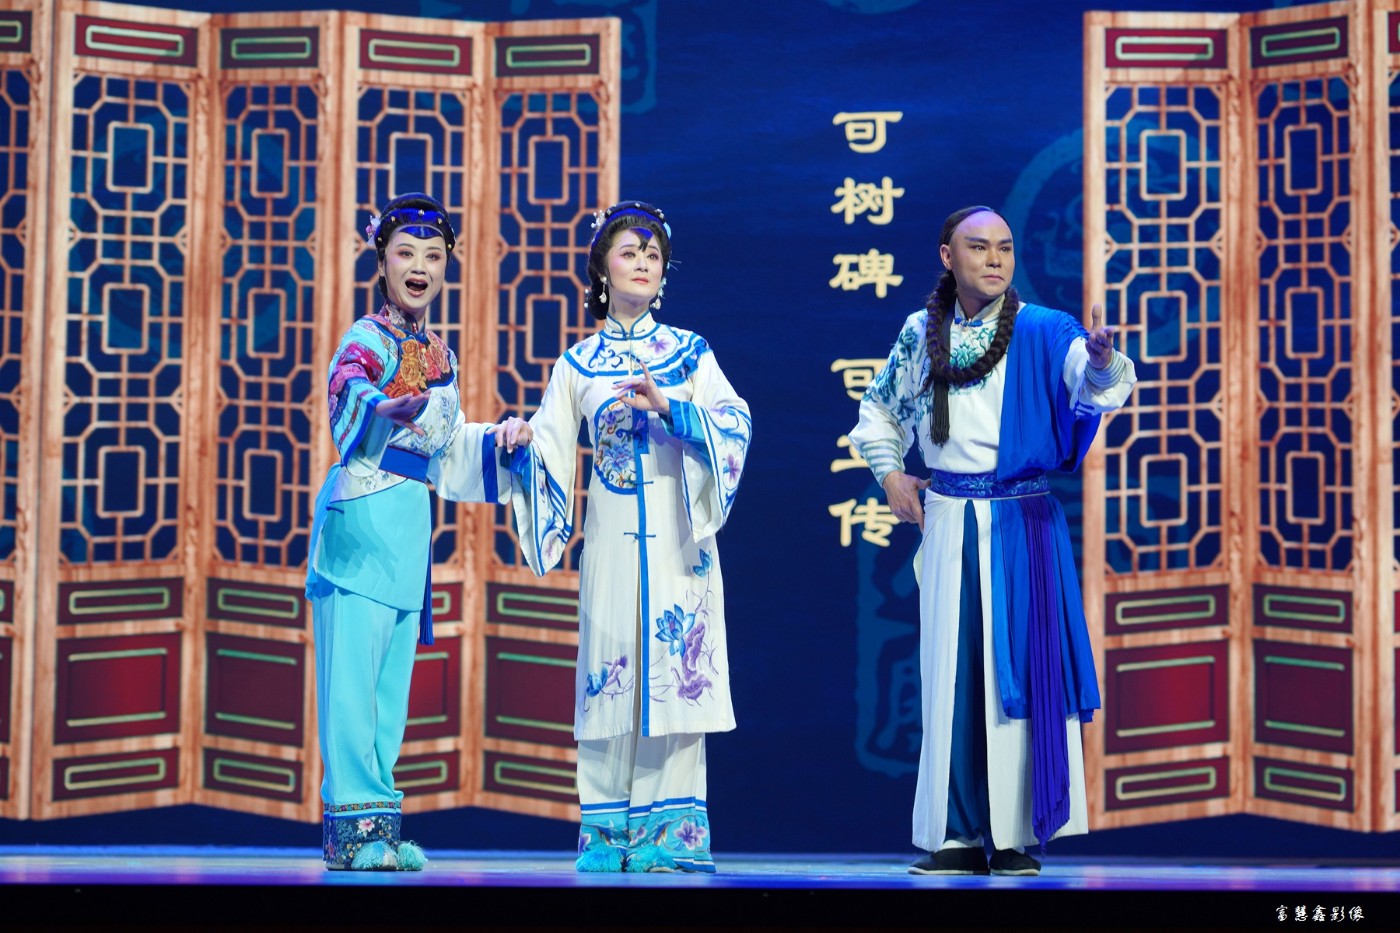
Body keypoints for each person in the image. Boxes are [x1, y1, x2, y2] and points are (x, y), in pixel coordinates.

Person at [848, 205, 1135, 876]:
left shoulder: (1043, 329)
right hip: (949, 516)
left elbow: (1092, 385)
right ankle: (954, 832)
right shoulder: (921, 332)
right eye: (979, 247)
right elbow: (879, 410)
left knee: (1019, 674)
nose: (995, 258)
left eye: (1004, 246)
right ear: (948, 257)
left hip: (1021, 522)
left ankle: (1013, 833)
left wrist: (1101, 360)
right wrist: (890, 473)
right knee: (952, 675)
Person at [505, 201, 752, 873]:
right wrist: (521, 443)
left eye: (653, 255)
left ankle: (670, 835)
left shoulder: (690, 353)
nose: (642, 263)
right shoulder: (578, 365)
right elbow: (549, 447)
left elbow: (735, 423)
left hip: (678, 539)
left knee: (678, 669)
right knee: (610, 672)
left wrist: (673, 408)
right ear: (602, 268)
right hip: (612, 543)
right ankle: (610, 834)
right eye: (629, 252)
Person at [306, 192, 531, 871]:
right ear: (382, 262)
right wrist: (381, 407)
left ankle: (378, 827)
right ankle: (352, 832)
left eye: (433, 257)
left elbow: (447, 449)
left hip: (407, 531)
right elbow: (347, 386)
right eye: (406, 253)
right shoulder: (366, 338)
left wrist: (501, 441)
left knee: (388, 695)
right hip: (360, 524)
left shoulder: (439, 353)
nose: (419, 267)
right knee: (351, 689)